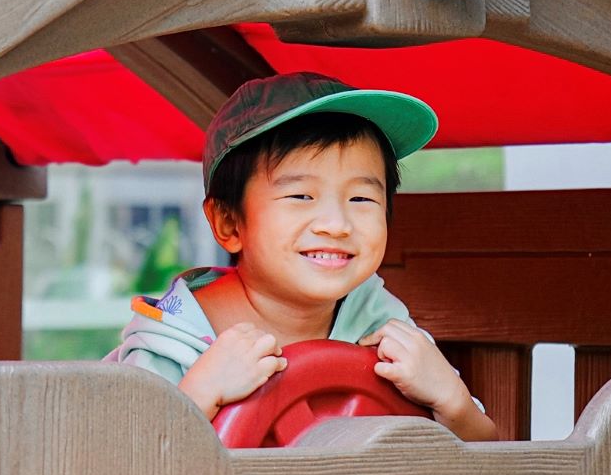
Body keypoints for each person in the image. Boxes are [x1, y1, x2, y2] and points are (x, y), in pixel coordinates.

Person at [112, 71, 497, 442]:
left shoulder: (380, 321)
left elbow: (485, 450)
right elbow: (122, 468)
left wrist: (453, 401)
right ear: (229, 222)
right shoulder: (171, 342)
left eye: (361, 198)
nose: (336, 224)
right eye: (301, 196)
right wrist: (198, 395)